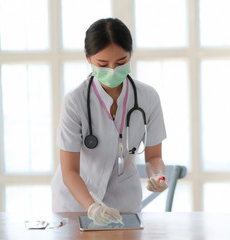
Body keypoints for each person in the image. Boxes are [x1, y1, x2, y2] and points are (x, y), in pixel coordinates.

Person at [51, 18, 168, 225]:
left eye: (121, 62)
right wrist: (92, 207)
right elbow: (69, 171)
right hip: (76, 203)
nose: (113, 70)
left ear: (130, 55)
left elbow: (153, 156)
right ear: (88, 58)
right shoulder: (75, 102)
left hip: (124, 202)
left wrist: (157, 175)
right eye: (103, 64)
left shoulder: (148, 98)